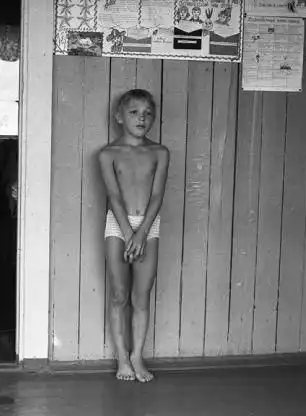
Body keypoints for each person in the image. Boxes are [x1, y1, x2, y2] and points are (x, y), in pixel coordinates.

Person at [98, 89, 169, 382]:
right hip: (119, 225)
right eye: (134, 112)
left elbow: (157, 195)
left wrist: (141, 235)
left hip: (148, 225)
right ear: (119, 117)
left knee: (141, 295)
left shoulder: (160, 152)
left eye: (148, 113)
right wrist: (129, 233)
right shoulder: (108, 154)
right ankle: (122, 358)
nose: (142, 118)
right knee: (119, 294)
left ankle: (137, 356)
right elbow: (113, 195)